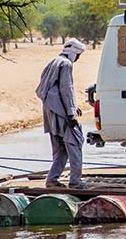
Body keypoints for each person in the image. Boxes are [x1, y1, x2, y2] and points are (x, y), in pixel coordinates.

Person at [36, 38, 89, 189]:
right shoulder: (66, 64)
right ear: (73, 53)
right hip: (61, 112)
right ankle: (75, 181)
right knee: (75, 143)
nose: (78, 58)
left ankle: (52, 180)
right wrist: (71, 113)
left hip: (50, 111)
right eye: (78, 55)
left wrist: (73, 106)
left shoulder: (54, 61)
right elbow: (66, 88)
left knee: (60, 148)